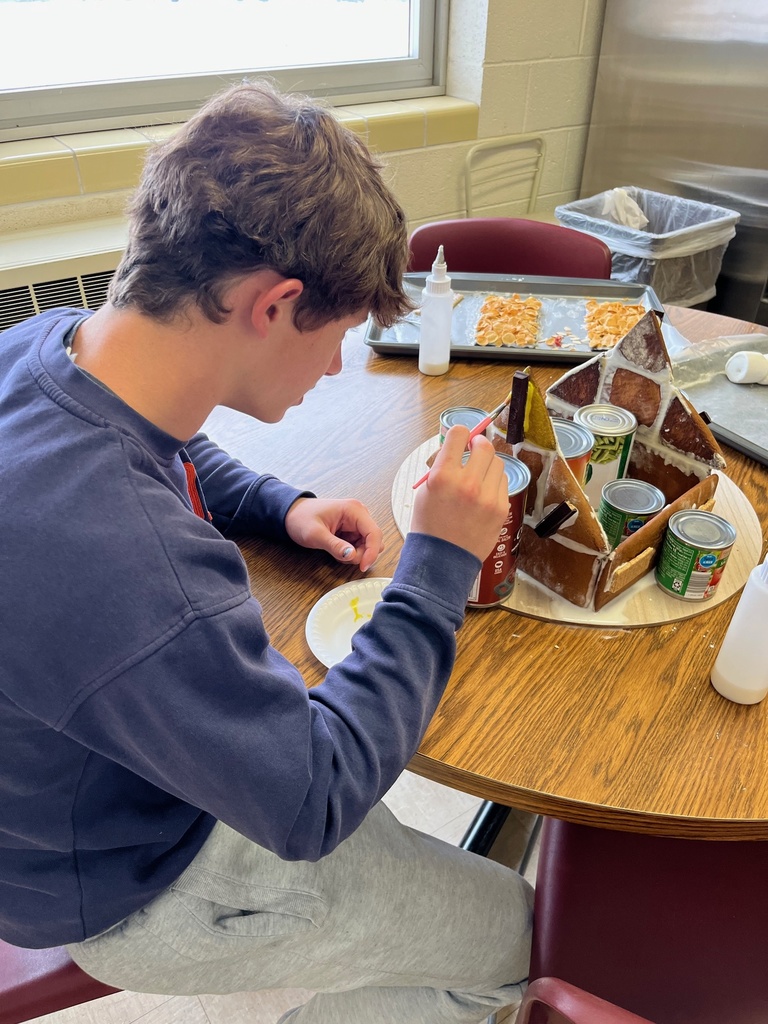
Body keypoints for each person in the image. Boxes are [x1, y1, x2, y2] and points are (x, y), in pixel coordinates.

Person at [0, 80, 532, 1023]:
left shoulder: (48, 348)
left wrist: (275, 504)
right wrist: (439, 563)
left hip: (70, 789)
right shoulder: (136, 565)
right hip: (129, 879)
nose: (332, 367)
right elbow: (314, 800)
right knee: (523, 945)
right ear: (275, 303)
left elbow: (159, 442)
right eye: (337, 337)